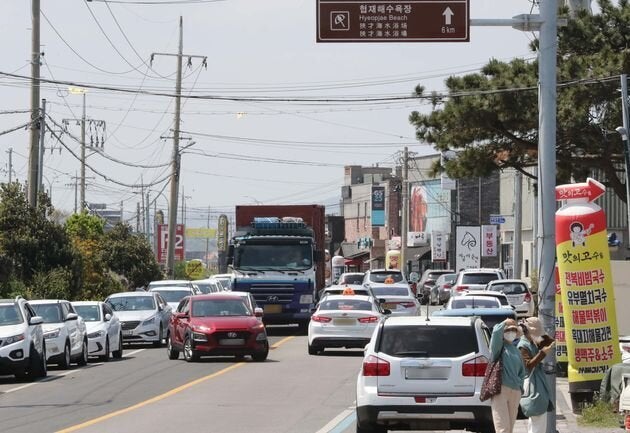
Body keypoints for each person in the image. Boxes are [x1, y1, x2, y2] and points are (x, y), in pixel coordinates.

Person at [517, 317, 555, 433]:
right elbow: (528, 365)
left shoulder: (532, 341)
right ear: (528, 331)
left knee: (535, 421)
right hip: (533, 384)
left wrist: (542, 336)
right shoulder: (523, 345)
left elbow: (550, 341)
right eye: (535, 333)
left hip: (537, 383)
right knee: (538, 417)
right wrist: (542, 353)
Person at [489, 318, 526, 433]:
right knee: (502, 428)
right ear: (503, 333)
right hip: (501, 389)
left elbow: (522, 372)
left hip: (515, 391)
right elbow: (495, 332)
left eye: (514, 330)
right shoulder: (498, 348)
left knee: (510, 428)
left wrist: (519, 386)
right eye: (508, 330)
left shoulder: (516, 351)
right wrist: (505, 322)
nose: (511, 332)